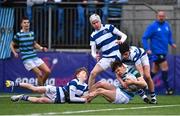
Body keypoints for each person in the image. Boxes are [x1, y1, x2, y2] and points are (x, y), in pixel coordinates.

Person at [5, 67, 89, 104]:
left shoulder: (86, 87)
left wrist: (85, 99)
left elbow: (85, 98)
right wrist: (83, 100)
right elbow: (72, 98)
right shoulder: (74, 82)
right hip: (55, 90)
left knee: (39, 100)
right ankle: (14, 83)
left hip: (58, 100)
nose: (85, 74)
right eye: (83, 73)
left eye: (86, 73)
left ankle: (22, 97)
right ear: (78, 75)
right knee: (35, 89)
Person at [88, 13, 127, 90]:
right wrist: (95, 55)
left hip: (116, 56)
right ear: (91, 24)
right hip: (106, 58)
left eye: (97, 22)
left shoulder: (109, 27)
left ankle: (139, 93)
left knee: (123, 76)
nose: (96, 24)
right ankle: (89, 94)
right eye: (93, 23)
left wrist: (121, 41)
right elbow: (93, 51)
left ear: (100, 21)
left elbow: (124, 35)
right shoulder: (93, 36)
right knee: (93, 73)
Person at [142, 10, 176, 95]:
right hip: (156, 52)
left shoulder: (167, 25)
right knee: (165, 68)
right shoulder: (153, 26)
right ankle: (168, 89)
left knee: (154, 71)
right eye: (159, 16)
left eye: (163, 16)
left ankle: (143, 86)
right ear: (157, 16)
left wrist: (172, 43)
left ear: (165, 17)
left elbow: (169, 36)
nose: (161, 17)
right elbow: (144, 38)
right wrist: (147, 48)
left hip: (164, 51)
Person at [10, 16, 51, 86]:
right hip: (26, 58)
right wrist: (14, 52)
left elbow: (34, 44)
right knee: (39, 73)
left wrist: (42, 48)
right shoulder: (18, 35)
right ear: (21, 24)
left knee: (48, 71)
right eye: (24, 23)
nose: (26, 24)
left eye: (28, 22)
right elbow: (11, 44)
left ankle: (40, 86)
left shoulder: (31, 33)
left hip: (34, 57)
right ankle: (42, 89)